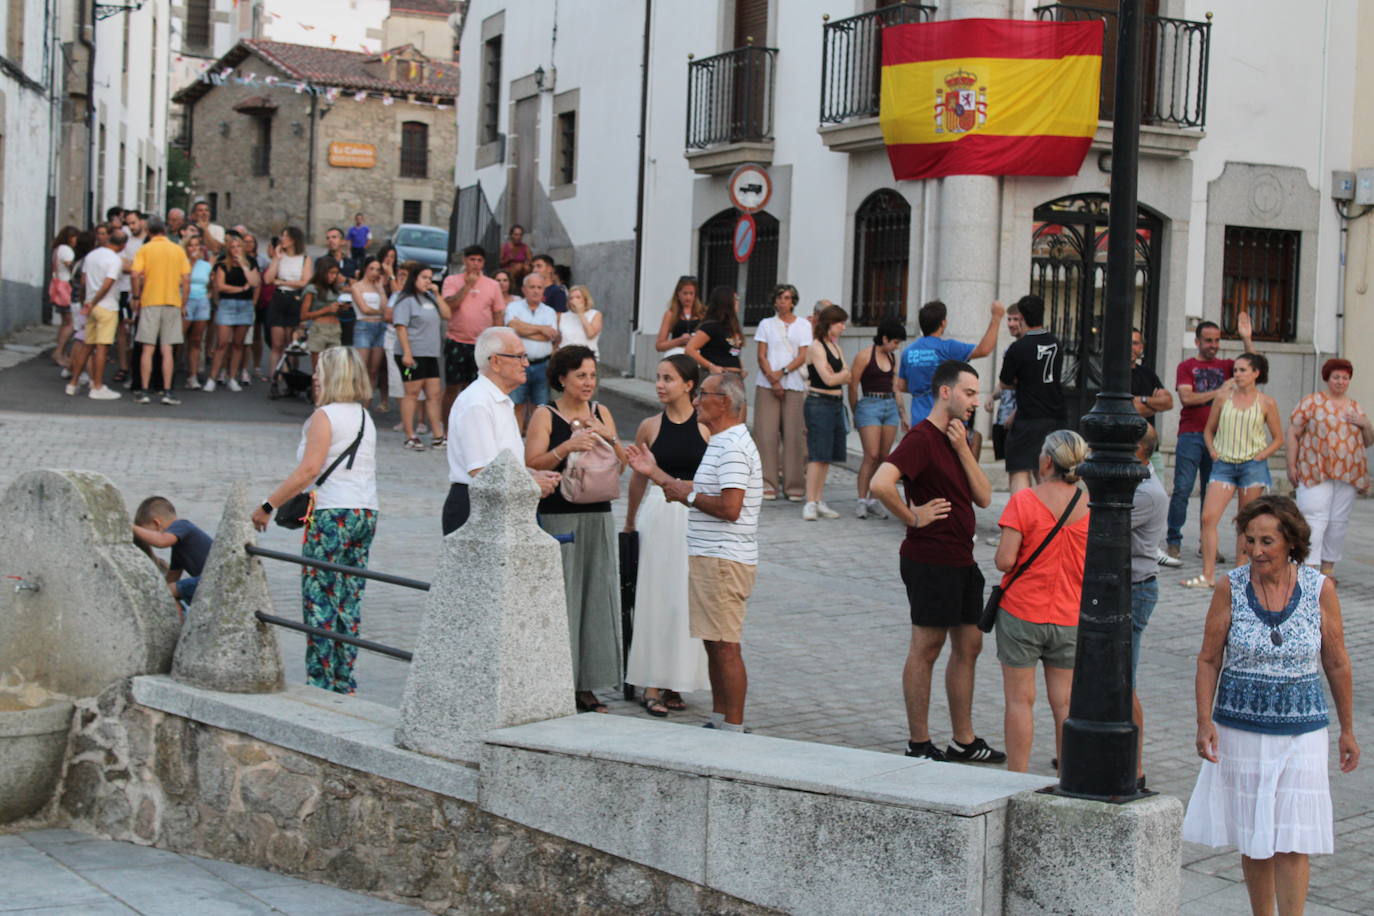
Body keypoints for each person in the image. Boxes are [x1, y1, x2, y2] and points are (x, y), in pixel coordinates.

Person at [1184, 496, 1358, 915]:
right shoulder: (1230, 587)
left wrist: (1348, 729)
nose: (1256, 550)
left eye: (1267, 541)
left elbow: (1336, 661)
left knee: (1293, 838)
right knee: (1255, 836)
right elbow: (1209, 659)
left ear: (1291, 544)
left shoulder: (1320, 590)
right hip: (1241, 733)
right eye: (1250, 540)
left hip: (1303, 733)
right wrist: (1203, 720)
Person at [870, 360, 1006, 764]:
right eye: (968, 393)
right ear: (945, 392)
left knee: (970, 643)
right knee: (927, 647)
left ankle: (964, 741)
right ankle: (919, 744)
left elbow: (983, 497)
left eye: (976, 394)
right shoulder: (921, 438)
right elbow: (881, 482)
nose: (975, 401)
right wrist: (912, 516)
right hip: (930, 560)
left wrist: (964, 448)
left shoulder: (957, 437)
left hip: (962, 559)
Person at [626, 372, 763, 732]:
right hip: (711, 556)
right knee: (714, 643)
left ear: (725, 402)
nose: (698, 400)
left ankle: (732, 726)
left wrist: (684, 493)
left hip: (723, 558)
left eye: (703, 393)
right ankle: (721, 719)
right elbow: (695, 490)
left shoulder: (732, 445)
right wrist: (656, 473)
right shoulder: (721, 441)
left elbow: (730, 508)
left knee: (725, 645)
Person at [252, 348, 379, 696]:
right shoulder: (364, 417)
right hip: (365, 511)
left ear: (335, 375)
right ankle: (344, 680)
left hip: (331, 514)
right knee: (349, 600)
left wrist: (268, 504)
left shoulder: (325, 416)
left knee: (320, 600)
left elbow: (309, 470)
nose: (314, 376)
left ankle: (321, 683)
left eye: (320, 370)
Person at [525, 345, 628, 714]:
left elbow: (624, 465)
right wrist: (567, 446)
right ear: (562, 378)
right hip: (558, 516)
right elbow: (530, 463)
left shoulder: (602, 412)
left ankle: (589, 683)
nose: (588, 382)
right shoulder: (544, 415)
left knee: (597, 599)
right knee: (563, 600)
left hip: (599, 514)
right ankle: (557, 681)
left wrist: (608, 437)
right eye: (581, 375)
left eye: (592, 375)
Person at [992, 429, 1091, 773]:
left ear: (1047, 461)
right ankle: (1068, 772)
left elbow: (1005, 560)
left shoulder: (1024, 501)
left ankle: (1017, 776)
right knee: (1063, 703)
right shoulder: (1089, 506)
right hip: (1067, 614)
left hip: (1022, 612)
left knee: (1020, 700)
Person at [624, 355, 712, 717]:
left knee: (685, 600)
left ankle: (678, 679)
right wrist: (630, 523)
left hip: (694, 518)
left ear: (689, 385)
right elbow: (638, 479)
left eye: (668, 378)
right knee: (654, 597)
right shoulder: (649, 426)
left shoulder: (707, 428)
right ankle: (651, 682)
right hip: (658, 517)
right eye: (658, 377)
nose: (660, 384)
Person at [442, 326, 561, 534]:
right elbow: (482, 472)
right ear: (495, 361)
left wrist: (532, 474)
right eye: (519, 356)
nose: (526, 363)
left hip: (500, 505)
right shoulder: (477, 402)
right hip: (477, 508)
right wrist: (530, 482)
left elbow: (503, 462)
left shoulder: (498, 400)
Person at [1183, 352, 1283, 591]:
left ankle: (1239, 576)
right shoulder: (1223, 397)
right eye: (1235, 370)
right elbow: (1209, 430)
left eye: (1242, 370)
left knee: (1245, 522)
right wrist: (1212, 451)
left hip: (1252, 465)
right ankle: (1207, 575)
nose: (1237, 374)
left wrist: (1263, 455)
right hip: (1224, 464)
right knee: (1209, 517)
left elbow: (1279, 438)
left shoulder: (1266, 402)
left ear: (1256, 373)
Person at [1169, 315, 1256, 560]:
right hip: (1191, 435)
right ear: (1197, 342)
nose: (1213, 345)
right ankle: (1173, 541)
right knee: (1182, 489)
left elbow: (1254, 365)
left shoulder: (1227, 365)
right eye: (1208, 341)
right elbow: (1187, 398)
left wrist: (1246, 338)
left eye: (1216, 340)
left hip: (1220, 439)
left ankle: (1206, 545)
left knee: (1212, 492)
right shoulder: (1186, 367)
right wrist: (1220, 392)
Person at [1285, 358, 1372, 584]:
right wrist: (1291, 465)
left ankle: (1328, 569)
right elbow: (1293, 433)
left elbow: (1368, 442)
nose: (1340, 381)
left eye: (1345, 377)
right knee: (1313, 515)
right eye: (1336, 377)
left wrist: (1365, 424)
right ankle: (1308, 566)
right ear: (1327, 378)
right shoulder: (1311, 402)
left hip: (1348, 472)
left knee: (1338, 521)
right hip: (1315, 469)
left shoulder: (1355, 407)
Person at [1128, 424, 1167, 787]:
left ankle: (1135, 766)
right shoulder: (1137, 481)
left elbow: (1100, 525)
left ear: (1138, 450)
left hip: (1135, 589)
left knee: (1126, 681)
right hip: (1126, 587)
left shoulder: (1146, 493)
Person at [897, 299, 1005, 424]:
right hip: (946, 421)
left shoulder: (908, 352)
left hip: (919, 420)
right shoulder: (948, 348)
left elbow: (901, 385)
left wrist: (922, 387)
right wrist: (996, 317)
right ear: (943, 323)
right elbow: (984, 350)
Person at [998, 295, 1065, 493]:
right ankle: (1050, 516)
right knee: (1046, 470)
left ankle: (1020, 520)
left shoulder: (1018, 348)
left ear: (1022, 317)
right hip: (1055, 416)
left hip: (1028, 416)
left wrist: (1020, 380)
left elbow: (1004, 383)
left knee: (1019, 469)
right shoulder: (1056, 343)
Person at [751, 283, 811, 502]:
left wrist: (783, 372)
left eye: (787, 298)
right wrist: (772, 378)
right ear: (774, 301)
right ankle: (768, 483)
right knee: (766, 434)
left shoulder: (804, 325)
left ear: (793, 301)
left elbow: (803, 354)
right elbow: (761, 354)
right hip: (767, 384)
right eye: (779, 298)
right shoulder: (766, 324)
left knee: (794, 434)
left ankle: (794, 485)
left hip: (793, 383)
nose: (783, 302)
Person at [851, 319, 908, 519]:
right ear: (884, 338)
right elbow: (853, 385)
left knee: (884, 456)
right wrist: (855, 410)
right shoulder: (864, 356)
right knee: (871, 454)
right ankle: (861, 499)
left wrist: (902, 413)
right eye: (895, 341)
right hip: (869, 404)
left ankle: (873, 499)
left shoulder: (892, 357)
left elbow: (895, 387)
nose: (896, 346)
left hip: (889, 405)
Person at [131, 219, 191, 405]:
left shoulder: (146, 249)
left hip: (150, 300)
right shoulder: (177, 250)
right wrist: (183, 302)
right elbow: (186, 278)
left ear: (149, 231)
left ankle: (144, 390)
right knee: (168, 349)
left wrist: (136, 295)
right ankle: (167, 391)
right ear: (165, 231)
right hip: (172, 301)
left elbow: (134, 274)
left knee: (148, 348)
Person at [440, 244, 505, 415]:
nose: (476, 264)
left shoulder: (492, 285)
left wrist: (496, 342)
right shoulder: (452, 281)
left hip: (481, 345)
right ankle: (447, 430)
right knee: (452, 388)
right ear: (465, 260)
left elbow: (498, 314)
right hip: (456, 340)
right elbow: (449, 306)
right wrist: (467, 286)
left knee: (475, 389)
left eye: (479, 260)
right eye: (472, 260)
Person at [392, 263, 451, 450]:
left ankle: (438, 435)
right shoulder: (406, 300)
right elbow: (401, 327)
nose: (428, 281)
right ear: (414, 279)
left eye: (430, 278)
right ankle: (410, 435)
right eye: (424, 278)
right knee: (412, 393)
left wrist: (437, 295)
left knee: (433, 394)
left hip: (430, 353)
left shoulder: (431, 299)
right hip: (413, 353)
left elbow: (447, 314)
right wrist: (407, 353)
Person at [801, 304, 851, 520]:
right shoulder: (816, 347)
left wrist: (840, 375)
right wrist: (841, 376)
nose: (843, 327)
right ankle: (810, 501)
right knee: (817, 454)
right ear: (830, 324)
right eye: (840, 323)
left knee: (827, 456)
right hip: (819, 402)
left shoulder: (835, 348)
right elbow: (830, 378)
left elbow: (848, 374)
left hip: (835, 403)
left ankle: (819, 498)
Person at [64, 229, 126, 400]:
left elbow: (83, 281)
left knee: (87, 345)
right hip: (107, 306)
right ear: (122, 245)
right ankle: (97, 386)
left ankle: (73, 383)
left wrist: (86, 302)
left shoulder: (92, 255)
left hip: (90, 305)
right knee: (102, 347)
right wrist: (94, 301)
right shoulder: (115, 260)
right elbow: (108, 284)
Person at [131, 496, 212, 605]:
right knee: (168, 593)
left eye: (146, 533)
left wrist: (130, 527)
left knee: (169, 591)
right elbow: (171, 579)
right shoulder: (178, 549)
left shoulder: (182, 525)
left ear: (157, 524)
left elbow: (161, 541)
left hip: (216, 580)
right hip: (206, 582)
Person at [205, 233, 260, 392]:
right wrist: (240, 289)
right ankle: (212, 378)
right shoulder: (222, 264)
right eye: (233, 247)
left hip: (245, 305)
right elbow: (220, 286)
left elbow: (255, 282)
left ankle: (232, 377)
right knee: (221, 343)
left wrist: (244, 266)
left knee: (238, 344)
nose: (236, 250)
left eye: (238, 247)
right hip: (227, 304)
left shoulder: (250, 262)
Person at [505, 272, 560, 431]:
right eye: (532, 287)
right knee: (517, 404)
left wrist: (523, 329)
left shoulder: (549, 311)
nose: (536, 291)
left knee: (540, 407)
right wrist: (541, 329)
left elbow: (549, 337)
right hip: (518, 364)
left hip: (543, 365)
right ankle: (516, 442)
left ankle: (535, 443)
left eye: (539, 287)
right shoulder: (513, 307)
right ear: (524, 289)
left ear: (544, 290)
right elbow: (512, 328)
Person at [263, 227, 312, 378]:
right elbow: (268, 279)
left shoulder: (305, 259)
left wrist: (282, 281)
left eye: (285, 236)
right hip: (279, 299)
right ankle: (274, 377)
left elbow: (304, 282)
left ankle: (290, 376)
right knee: (277, 343)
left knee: (291, 344)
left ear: (293, 240)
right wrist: (276, 259)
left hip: (294, 300)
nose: (282, 239)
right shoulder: (280, 257)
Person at [984, 303, 1026, 463]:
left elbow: (1028, 387)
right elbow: (1005, 382)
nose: (1011, 324)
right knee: (1004, 464)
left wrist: (1015, 414)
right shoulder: (1010, 349)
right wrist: (991, 396)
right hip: (1002, 417)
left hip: (1018, 419)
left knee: (1020, 468)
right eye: (1009, 319)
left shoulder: (1027, 349)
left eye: (1016, 319)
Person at [114, 210, 147, 385]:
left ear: (141, 222)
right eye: (128, 223)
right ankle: (123, 366)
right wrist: (137, 268)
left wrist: (134, 266)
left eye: (134, 223)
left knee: (139, 332)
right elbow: (120, 264)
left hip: (143, 290)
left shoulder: (147, 241)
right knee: (123, 332)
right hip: (124, 289)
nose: (131, 227)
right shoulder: (125, 239)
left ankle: (137, 369)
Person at [349, 257, 389, 400]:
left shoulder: (379, 287)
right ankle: (355, 399)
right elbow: (364, 309)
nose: (374, 272)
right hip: (363, 326)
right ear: (365, 269)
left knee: (374, 370)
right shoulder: (357, 286)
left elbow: (386, 308)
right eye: (371, 268)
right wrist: (381, 312)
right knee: (361, 368)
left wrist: (381, 290)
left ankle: (367, 403)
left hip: (380, 327)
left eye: (378, 269)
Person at [684, 285, 745, 377]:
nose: (738, 302)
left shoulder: (731, 326)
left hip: (733, 377)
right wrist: (711, 366)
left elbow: (731, 352)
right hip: (716, 377)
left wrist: (741, 368)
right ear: (726, 301)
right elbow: (689, 349)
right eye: (735, 299)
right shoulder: (711, 326)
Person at [180, 234, 212, 389]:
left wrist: (209, 295)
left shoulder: (205, 265)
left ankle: (192, 376)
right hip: (186, 300)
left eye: (197, 245)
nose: (194, 248)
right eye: (191, 245)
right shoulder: (182, 263)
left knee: (196, 340)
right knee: (178, 338)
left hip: (202, 301)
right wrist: (191, 262)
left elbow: (210, 283)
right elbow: (182, 281)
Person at [300, 257, 344, 367]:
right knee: (318, 370)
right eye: (331, 273)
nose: (334, 276)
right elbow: (304, 315)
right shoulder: (312, 289)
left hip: (335, 329)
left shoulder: (335, 290)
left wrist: (342, 307)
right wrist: (327, 309)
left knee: (334, 369)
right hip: (319, 329)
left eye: (336, 273)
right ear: (322, 272)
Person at [50, 225, 79, 369]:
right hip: (65, 287)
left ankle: (60, 352)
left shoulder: (57, 249)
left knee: (64, 322)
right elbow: (71, 267)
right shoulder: (66, 250)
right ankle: (59, 352)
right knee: (70, 323)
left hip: (58, 285)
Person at [324, 227, 359, 346]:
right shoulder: (322, 262)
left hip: (348, 312)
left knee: (346, 348)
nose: (330, 240)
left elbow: (359, 285)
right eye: (328, 238)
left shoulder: (352, 263)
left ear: (343, 241)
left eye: (334, 237)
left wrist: (346, 280)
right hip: (328, 311)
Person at [655, 275, 701, 355]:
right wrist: (679, 340)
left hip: (697, 353)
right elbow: (659, 345)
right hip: (676, 352)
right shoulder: (670, 314)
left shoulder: (701, 314)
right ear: (678, 294)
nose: (688, 297)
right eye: (685, 293)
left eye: (691, 294)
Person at [559, 284, 603, 355]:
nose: (574, 300)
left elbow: (590, 334)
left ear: (585, 300)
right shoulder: (563, 316)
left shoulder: (595, 314)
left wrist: (580, 313)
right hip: (565, 358)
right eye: (571, 298)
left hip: (586, 359)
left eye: (578, 297)